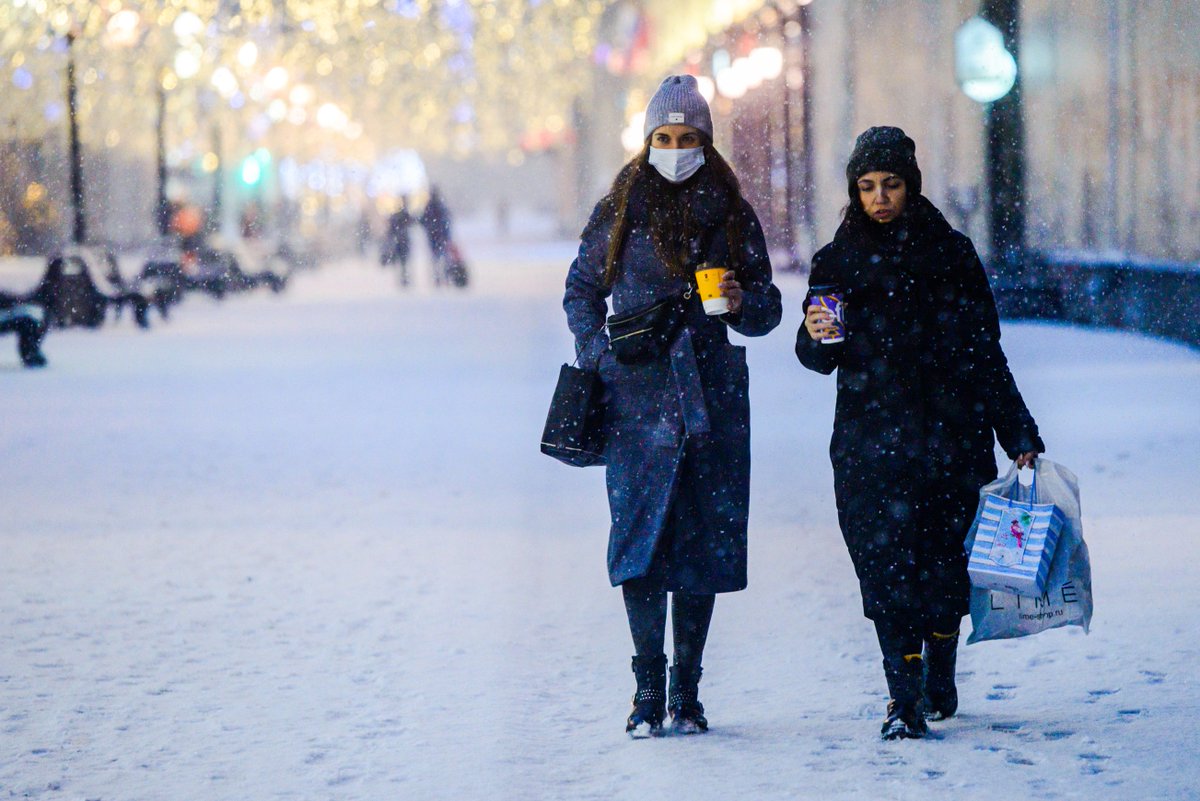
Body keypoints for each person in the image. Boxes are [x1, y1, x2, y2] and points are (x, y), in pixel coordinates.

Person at [796, 126, 1044, 741]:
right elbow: (817, 354)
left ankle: (941, 664)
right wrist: (817, 334)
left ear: (912, 185)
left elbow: (987, 353)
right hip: (868, 447)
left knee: (943, 570)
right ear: (854, 192)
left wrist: (1017, 430)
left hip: (950, 441)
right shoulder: (838, 260)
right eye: (867, 186)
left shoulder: (952, 255)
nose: (879, 197)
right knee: (884, 572)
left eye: (891, 184)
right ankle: (901, 699)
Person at [564, 75, 782, 737]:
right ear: (648, 140)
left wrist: (743, 304)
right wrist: (597, 351)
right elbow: (580, 289)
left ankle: (687, 691)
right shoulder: (621, 208)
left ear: (706, 142)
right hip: (637, 401)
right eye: (665, 137)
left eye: (688, 138)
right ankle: (645, 689)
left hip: (711, 401)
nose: (676, 148)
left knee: (702, 545)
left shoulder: (730, 211)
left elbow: (768, 307)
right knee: (640, 544)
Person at [420, 187, 452, 286]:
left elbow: (423, 220)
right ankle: (444, 277)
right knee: (444, 257)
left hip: (433, 236)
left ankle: (438, 277)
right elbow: (447, 220)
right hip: (441, 236)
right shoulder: (441, 205)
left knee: (436, 258)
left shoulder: (429, 206)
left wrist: (430, 227)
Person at [381, 199, 414, 285]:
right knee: (404, 262)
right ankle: (404, 278)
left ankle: (402, 278)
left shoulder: (395, 217)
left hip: (398, 242)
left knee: (401, 261)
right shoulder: (405, 216)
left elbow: (390, 231)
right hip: (403, 241)